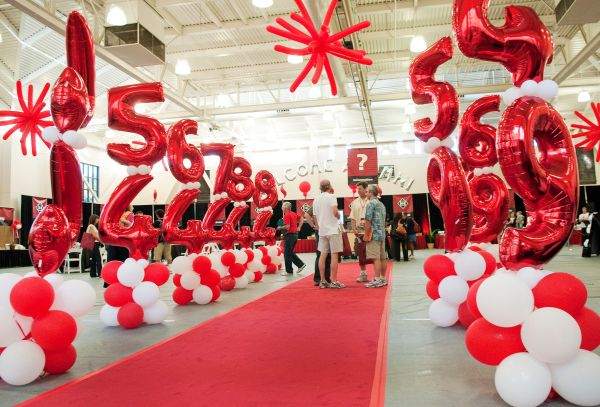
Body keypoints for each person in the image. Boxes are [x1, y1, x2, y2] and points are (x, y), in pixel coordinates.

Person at [312, 179, 344, 289]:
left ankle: (322, 281)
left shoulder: (316, 199)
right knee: (334, 255)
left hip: (322, 231)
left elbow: (315, 217)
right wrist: (338, 217)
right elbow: (335, 212)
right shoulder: (331, 197)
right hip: (333, 230)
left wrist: (318, 227)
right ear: (329, 186)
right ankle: (334, 281)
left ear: (320, 188)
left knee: (322, 255)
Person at [363, 185, 388, 288]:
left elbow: (368, 220)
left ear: (371, 193)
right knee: (382, 257)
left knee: (375, 258)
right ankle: (382, 278)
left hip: (373, 234)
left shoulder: (370, 204)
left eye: (367, 192)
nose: (366, 193)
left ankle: (377, 279)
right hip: (382, 234)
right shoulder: (381, 204)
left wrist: (366, 234)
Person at [349, 181, 371, 282]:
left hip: (370, 231)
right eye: (357, 189)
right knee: (360, 253)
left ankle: (377, 276)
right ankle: (363, 274)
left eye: (360, 188)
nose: (358, 190)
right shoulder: (354, 202)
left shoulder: (371, 200)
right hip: (359, 232)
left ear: (366, 189)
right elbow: (352, 217)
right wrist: (354, 229)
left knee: (372, 252)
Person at [277, 202, 306, 276]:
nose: (281, 208)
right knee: (289, 252)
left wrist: (280, 227)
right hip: (295, 235)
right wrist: (299, 227)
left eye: (282, 207)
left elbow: (287, 227)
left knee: (287, 253)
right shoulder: (293, 213)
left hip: (290, 236)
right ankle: (300, 264)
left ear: (285, 208)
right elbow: (302, 218)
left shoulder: (287, 215)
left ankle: (289, 271)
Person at [304, 208, 331, 286]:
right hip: (324, 230)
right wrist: (313, 226)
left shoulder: (317, 203)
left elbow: (306, 215)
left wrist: (314, 226)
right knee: (323, 254)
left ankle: (321, 278)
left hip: (320, 230)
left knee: (321, 254)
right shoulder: (318, 204)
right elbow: (306, 215)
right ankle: (322, 278)